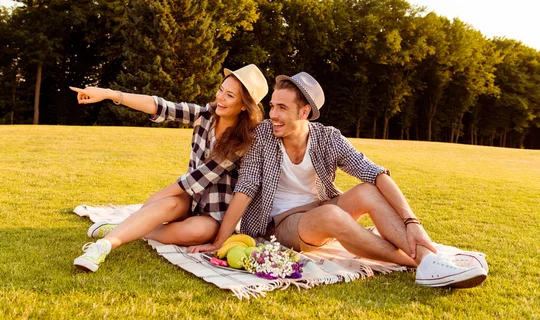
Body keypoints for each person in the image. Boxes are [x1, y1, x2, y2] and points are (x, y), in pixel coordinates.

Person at [190, 72, 488, 288]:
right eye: (272, 106)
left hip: (323, 208)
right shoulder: (263, 136)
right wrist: (219, 241)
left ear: (305, 112)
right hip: (283, 225)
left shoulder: (327, 138)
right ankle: (421, 263)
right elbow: (246, 187)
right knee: (332, 214)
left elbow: (376, 172)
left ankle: (431, 259)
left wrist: (412, 221)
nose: (273, 115)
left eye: (282, 108)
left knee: (369, 190)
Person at [70, 64, 268, 272]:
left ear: (244, 105)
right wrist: (109, 94)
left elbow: (198, 178)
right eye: (221, 90)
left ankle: (130, 228)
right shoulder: (205, 116)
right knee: (166, 205)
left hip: (213, 213)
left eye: (230, 95)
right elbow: (160, 106)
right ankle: (103, 246)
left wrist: (156, 197)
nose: (221, 98)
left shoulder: (243, 141)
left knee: (196, 231)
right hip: (188, 198)